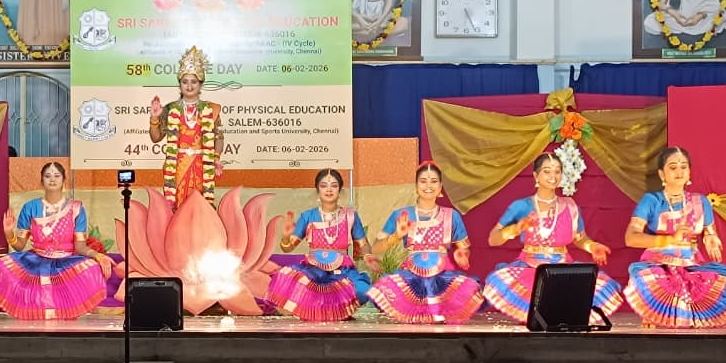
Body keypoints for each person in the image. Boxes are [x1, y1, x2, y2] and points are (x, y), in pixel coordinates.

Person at [483, 152, 624, 324]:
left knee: (600, 285)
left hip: (563, 268)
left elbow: (580, 238)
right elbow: (493, 239)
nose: (553, 176)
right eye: (547, 171)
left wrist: (593, 246)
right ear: (536, 175)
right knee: (501, 281)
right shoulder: (521, 206)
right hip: (530, 267)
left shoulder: (570, 205)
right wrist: (515, 229)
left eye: (557, 171)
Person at [623, 146, 726, 328]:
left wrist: (711, 239)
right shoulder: (652, 200)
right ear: (661, 174)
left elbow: (710, 232)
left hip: (691, 264)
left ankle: (691, 317)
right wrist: (669, 240)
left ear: (689, 172)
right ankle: (654, 314)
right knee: (643, 280)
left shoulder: (701, 201)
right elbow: (631, 238)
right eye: (673, 167)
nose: (679, 171)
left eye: (684, 167)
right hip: (658, 263)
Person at [0, 162, 113, 320]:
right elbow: (19, 246)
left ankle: (66, 312)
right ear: (41, 181)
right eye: (47, 176)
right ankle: (35, 313)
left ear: (63, 180)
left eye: (56, 176)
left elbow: (80, 247)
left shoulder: (76, 209)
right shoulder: (30, 207)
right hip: (36, 260)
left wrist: (98, 256)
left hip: (65, 261)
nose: (52, 179)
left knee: (92, 268)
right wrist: (9, 233)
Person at [367, 162, 483, 324]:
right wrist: (397, 236)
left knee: (472, 289)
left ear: (440, 186)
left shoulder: (452, 216)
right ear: (416, 186)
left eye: (433, 181)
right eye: (423, 181)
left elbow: (464, 249)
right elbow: (376, 248)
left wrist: (463, 255)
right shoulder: (401, 214)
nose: (428, 186)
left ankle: (435, 311)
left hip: (442, 276)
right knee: (382, 290)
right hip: (411, 277)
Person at [266, 169, 373, 321]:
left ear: (340, 190)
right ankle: (317, 312)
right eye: (324, 186)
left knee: (363, 290)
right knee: (282, 279)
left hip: (342, 269)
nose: (329, 189)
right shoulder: (308, 216)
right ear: (317, 190)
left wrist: (368, 255)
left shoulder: (350, 216)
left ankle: (338, 311)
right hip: (314, 270)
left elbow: (363, 243)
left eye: (334, 185)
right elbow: (288, 247)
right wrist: (286, 236)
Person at [148, 45, 223, 211]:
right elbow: (155, 138)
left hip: (202, 166)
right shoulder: (170, 109)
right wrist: (155, 118)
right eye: (185, 82)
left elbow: (218, 138)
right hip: (177, 167)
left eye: (194, 82)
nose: (189, 86)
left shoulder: (211, 109)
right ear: (179, 84)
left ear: (200, 84)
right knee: (177, 208)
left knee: (201, 208)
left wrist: (216, 158)